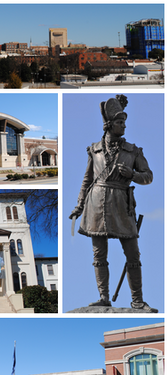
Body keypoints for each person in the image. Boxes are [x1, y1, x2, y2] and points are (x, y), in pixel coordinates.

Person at [69, 95, 157, 312]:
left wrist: (133, 174)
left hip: (122, 205)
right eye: (119, 122)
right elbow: (87, 180)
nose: (124, 126)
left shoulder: (133, 151)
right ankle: (104, 297)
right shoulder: (94, 150)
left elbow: (149, 176)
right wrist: (79, 206)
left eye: (125, 122)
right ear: (108, 125)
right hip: (96, 205)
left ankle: (137, 300)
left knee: (133, 255)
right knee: (99, 256)